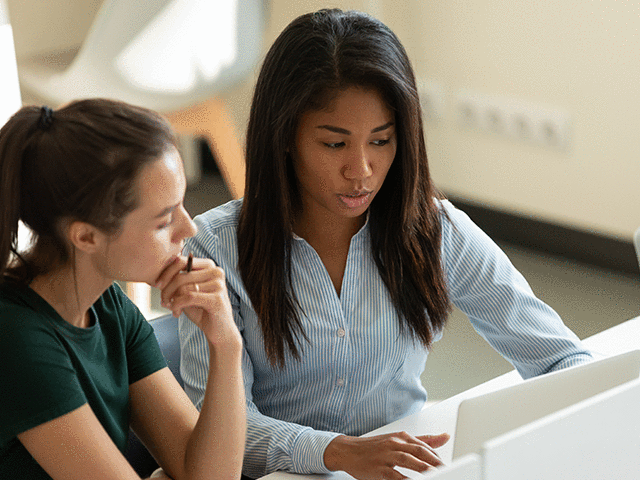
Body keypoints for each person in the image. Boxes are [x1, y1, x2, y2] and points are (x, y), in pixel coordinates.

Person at [179, 8, 593, 480]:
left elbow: (562, 359)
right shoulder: (215, 245)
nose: (361, 169)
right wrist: (337, 452)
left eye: (381, 141)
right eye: (335, 145)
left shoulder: (433, 230)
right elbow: (220, 435)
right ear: (285, 137)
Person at [0, 99, 245, 480]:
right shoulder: (17, 338)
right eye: (164, 221)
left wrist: (226, 343)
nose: (189, 229)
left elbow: (210, 476)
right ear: (86, 236)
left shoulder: (108, 305)